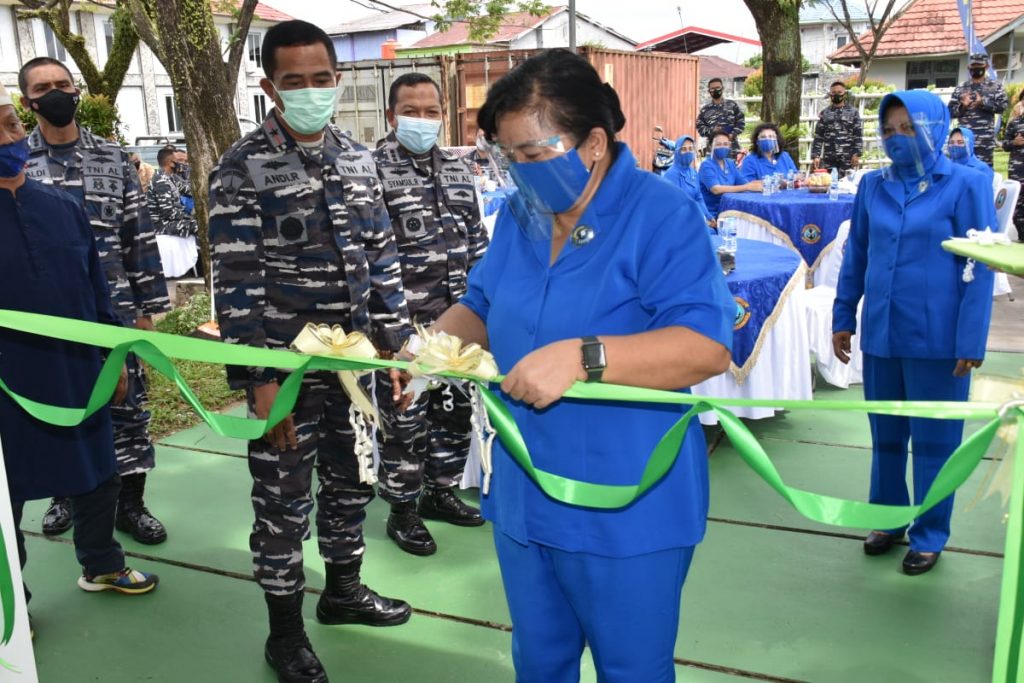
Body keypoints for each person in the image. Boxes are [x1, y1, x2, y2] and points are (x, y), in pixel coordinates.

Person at [428, 48, 734, 682]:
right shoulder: (520, 215)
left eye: (536, 155)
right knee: (539, 662)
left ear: (594, 141)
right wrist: (428, 348)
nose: (521, 172)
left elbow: (705, 347)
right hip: (527, 487)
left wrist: (584, 357)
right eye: (507, 157)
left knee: (631, 668)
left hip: (625, 497)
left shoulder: (661, 215)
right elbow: (481, 303)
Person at [209, 20, 414, 683]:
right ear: (269, 87)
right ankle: (285, 633)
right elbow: (236, 286)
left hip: (356, 366)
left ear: (337, 79)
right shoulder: (241, 168)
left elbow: (383, 261)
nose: (309, 91)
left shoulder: (358, 158)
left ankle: (343, 591)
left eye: (319, 79)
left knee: (353, 482)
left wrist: (400, 347)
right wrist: (259, 379)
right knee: (282, 501)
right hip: (287, 373)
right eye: (292, 82)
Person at [0, 83, 159, 606]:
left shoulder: (63, 205)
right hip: (8, 382)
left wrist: (114, 362)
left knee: (99, 473)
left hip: (76, 370)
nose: (8, 137)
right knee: (7, 495)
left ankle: (102, 564)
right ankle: (12, 601)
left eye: (11, 124)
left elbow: (96, 289)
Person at [832, 90, 995, 576]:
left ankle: (929, 533)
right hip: (882, 334)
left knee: (935, 442)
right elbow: (856, 253)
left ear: (935, 129)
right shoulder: (870, 186)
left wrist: (971, 337)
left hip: (940, 341)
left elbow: (980, 263)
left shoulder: (967, 184)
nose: (897, 139)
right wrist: (844, 314)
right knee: (885, 436)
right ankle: (888, 519)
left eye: (908, 129)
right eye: (888, 130)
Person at [372, 72, 489, 556]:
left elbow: (478, 241)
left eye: (431, 111)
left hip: (458, 321)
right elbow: (364, 258)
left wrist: (486, 311)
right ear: (391, 116)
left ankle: (440, 491)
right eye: (411, 111)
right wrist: (390, 333)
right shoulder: (368, 169)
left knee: (454, 412)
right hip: (405, 329)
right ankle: (403, 509)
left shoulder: (458, 167)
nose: (423, 120)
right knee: (405, 418)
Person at [947, 53, 1008, 167]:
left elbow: (1003, 107)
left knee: (985, 173)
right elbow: (950, 112)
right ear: (968, 67)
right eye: (973, 66)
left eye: (979, 66)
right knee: (963, 172)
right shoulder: (961, 88)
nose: (976, 69)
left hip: (984, 141)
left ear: (986, 67)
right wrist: (963, 106)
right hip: (963, 141)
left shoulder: (995, 87)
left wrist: (983, 103)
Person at [699, 131, 762, 217]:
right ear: (710, 146)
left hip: (731, 210)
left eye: (725, 144)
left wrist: (763, 183)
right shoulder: (706, 165)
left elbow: (745, 183)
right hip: (712, 214)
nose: (722, 147)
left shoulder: (730, 163)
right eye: (718, 144)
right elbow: (716, 189)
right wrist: (747, 187)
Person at [662, 134, 715, 229]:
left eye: (691, 148)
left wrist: (708, 216)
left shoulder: (693, 172)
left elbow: (698, 197)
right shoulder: (671, 175)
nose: (688, 152)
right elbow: (675, 207)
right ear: (677, 152)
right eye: (684, 149)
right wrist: (702, 221)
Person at [811, 81, 862, 174]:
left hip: (847, 157)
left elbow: (858, 134)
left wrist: (856, 154)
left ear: (845, 94)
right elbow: (818, 136)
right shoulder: (824, 113)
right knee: (829, 183)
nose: (836, 95)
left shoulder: (853, 112)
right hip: (829, 157)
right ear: (830, 94)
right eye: (833, 93)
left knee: (847, 184)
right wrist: (816, 156)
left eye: (839, 93)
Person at [147, 145, 198, 238]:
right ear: (171, 163)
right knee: (201, 226)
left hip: (172, 221)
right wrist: (191, 216)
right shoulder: (160, 181)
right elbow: (169, 213)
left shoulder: (171, 177)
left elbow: (188, 190)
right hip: (162, 226)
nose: (183, 164)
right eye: (178, 161)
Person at [696, 77, 745, 157]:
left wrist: (732, 135)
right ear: (709, 91)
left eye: (718, 88)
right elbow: (700, 127)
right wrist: (711, 131)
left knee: (732, 168)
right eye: (712, 89)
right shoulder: (704, 110)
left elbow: (741, 123)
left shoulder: (732, 105)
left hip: (732, 149)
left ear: (722, 88)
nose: (715, 90)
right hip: (713, 150)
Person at [947, 127, 995, 196]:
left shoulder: (981, 169)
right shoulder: (946, 167)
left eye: (960, 142)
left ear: (969, 144)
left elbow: (981, 196)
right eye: (951, 142)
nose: (955, 145)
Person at [1002, 90, 1024, 241]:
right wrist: (1013, 143)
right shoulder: (1015, 123)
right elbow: (1004, 144)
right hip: (1018, 170)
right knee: (1018, 205)